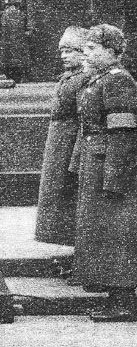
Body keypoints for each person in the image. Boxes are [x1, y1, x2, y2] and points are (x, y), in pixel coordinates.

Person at [75, 24, 137, 322]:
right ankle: (116, 298)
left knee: (117, 234)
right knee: (103, 233)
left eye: (91, 49)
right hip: (95, 164)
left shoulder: (118, 80)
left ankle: (124, 301)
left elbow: (123, 132)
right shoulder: (98, 79)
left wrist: (114, 177)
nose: (84, 53)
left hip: (109, 169)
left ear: (111, 52)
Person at [35, 26, 90, 250]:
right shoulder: (69, 77)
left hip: (69, 142)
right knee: (54, 189)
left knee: (66, 189)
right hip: (58, 142)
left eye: (70, 51)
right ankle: (55, 235)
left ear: (82, 52)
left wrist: (76, 153)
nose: (64, 56)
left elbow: (84, 118)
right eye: (62, 52)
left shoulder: (84, 79)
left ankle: (68, 238)